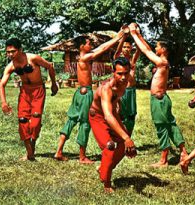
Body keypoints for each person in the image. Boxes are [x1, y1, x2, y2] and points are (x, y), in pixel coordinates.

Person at [54, 28, 126, 163]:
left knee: (71, 120)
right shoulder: (85, 57)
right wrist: (117, 38)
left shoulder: (81, 57)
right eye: (88, 43)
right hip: (86, 93)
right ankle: (82, 157)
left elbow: (100, 48)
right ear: (82, 46)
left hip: (79, 92)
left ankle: (59, 151)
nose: (91, 45)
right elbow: (102, 48)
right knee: (85, 123)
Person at [129, 23, 188, 168]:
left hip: (159, 100)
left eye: (157, 46)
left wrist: (134, 34)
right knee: (171, 125)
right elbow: (148, 48)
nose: (155, 48)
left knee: (162, 127)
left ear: (163, 49)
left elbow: (146, 50)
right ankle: (183, 152)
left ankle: (163, 160)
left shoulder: (161, 62)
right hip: (162, 99)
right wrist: (139, 34)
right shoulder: (163, 61)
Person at [0, 37, 58, 161]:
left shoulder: (33, 58)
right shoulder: (11, 66)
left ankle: (33, 145)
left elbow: (50, 67)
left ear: (20, 50)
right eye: (8, 52)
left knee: (35, 121)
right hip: (25, 92)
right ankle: (29, 152)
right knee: (23, 120)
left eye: (13, 51)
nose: (10, 54)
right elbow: (1, 85)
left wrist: (53, 84)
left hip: (38, 91)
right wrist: (3, 102)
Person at [89, 57, 137, 193]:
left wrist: (118, 108)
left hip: (111, 113)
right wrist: (127, 138)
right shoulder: (106, 89)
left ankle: (103, 168)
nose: (123, 77)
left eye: (126, 73)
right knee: (110, 146)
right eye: (119, 74)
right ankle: (107, 184)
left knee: (123, 147)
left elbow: (116, 100)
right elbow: (107, 116)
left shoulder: (126, 82)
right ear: (113, 73)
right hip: (98, 116)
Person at [113, 34, 140, 134]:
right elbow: (116, 52)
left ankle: (128, 137)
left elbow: (139, 50)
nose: (126, 49)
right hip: (121, 91)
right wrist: (123, 36)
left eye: (128, 47)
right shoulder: (118, 61)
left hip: (131, 91)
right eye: (124, 47)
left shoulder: (132, 62)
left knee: (131, 115)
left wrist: (136, 34)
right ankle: (120, 138)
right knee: (119, 114)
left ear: (131, 48)